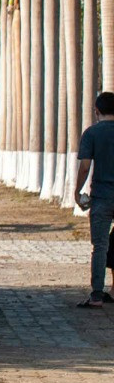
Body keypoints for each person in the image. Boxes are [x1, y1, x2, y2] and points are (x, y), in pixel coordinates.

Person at [72, 90, 114, 307]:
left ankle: (97, 295)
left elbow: (85, 166)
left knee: (100, 246)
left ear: (96, 111)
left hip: (102, 197)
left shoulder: (91, 134)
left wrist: (78, 191)